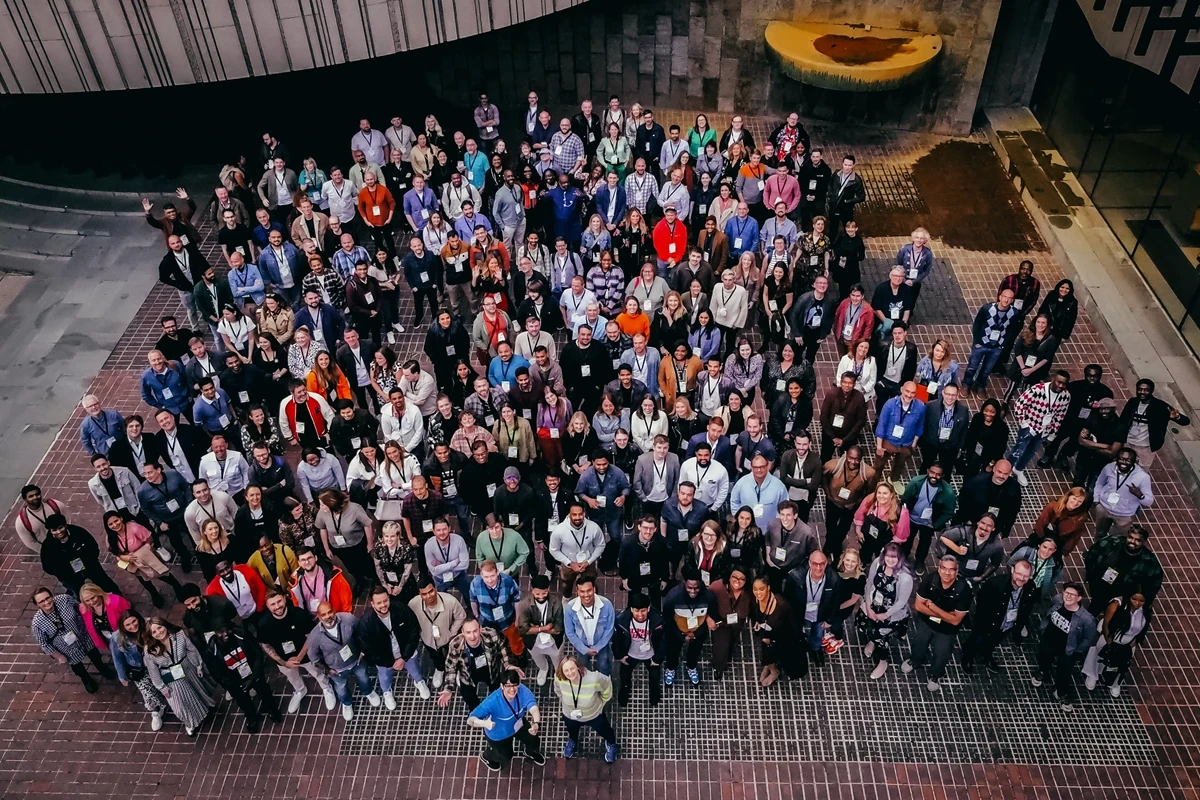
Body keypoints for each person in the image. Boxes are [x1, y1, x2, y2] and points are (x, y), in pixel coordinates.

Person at [256, 590, 336, 714]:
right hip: (283, 660)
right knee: (292, 677)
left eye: (279, 601)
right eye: (272, 604)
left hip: (306, 655)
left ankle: (326, 687)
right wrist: (283, 662)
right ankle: (300, 690)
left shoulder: (299, 614)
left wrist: (299, 657)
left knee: (317, 673)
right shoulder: (263, 623)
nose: (277, 607)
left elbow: (311, 637)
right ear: (267, 606)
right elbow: (266, 645)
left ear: (284, 598)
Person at [901, 555, 971, 692]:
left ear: (957, 572)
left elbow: (956, 620)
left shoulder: (964, 590)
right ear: (939, 569)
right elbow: (919, 606)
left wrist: (932, 607)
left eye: (951, 570)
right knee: (919, 642)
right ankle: (915, 661)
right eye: (943, 568)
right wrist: (946, 615)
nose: (946, 572)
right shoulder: (930, 579)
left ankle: (935, 675)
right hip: (927, 622)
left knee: (942, 653)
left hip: (947, 630)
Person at [355, 586, 429, 708]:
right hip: (384, 660)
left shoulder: (401, 609)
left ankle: (419, 681)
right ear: (372, 604)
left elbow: (413, 631)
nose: (383, 605)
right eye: (379, 603)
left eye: (385, 600)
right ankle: (387, 691)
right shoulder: (366, 622)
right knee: (384, 676)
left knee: (414, 669)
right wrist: (389, 662)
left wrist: (403, 657)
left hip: (406, 653)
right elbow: (368, 649)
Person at [32, 587, 116, 693]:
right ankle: (86, 679)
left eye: (47, 598)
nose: (46, 602)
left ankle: (102, 668)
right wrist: (59, 656)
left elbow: (81, 608)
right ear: (37, 605)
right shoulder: (37, 623)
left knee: (94, 654)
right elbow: (44, 643)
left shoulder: (65, 599)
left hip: (83, 635)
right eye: (42, 601)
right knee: (77, 666)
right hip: (66, 647)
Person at [143, 616, 217, 736]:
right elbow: (153, 671)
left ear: (165, 625)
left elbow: (191, 649)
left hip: (187, 667)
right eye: (154, 632)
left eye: (159, 628)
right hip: (169, 675)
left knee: (197, 690)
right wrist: (161, 687)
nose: (158, 632)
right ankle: (189, 723)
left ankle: (205, 707)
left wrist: (197, 664)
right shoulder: (149, 650)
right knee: (179, 705)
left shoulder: (179, 634)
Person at [306, 601, 380, 721]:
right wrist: (327, 670)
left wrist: (363, 650)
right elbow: (314, 657)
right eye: (323, 614)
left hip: (357, 660)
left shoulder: (349, 619)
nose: (328, 616)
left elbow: (361, 633)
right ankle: (347, 703)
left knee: (364, 678)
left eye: (330, 612)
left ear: (334, 610)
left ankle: (368, 692)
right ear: (318, 617)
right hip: (337, 669)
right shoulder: (315, 636)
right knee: (340, 687)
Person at [961, 559, 1036, 674]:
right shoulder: (995, 584)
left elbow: (1027, 607)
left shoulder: (1030, 586)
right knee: (976, 640)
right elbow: (981, 603)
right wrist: (981, 623)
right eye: (1019, 574)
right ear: (1012, 570)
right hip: (987, 623)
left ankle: (986, 654)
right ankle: (967, 657)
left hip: (1007, 624)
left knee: (993, 642)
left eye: (1025, 576)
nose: (1021, 578)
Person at [205, 624, 282, 733]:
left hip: (253, 674)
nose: (225, 634)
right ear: (215, 633)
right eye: (221, 632)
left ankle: (271, 709)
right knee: (243, 701)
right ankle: (251, 716)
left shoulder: (243, 635)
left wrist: (254, 677)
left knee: (264, 691)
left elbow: (257, 654)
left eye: (227, 629)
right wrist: (235, 685)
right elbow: (218, 675)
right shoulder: (212, 651)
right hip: (235, 682)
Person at [1032, 583, 1098, 710]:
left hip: (1067, 648)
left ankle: (1061, 691)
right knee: (1044, 657)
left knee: (1064, 671)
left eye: (1072, 595)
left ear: (1079, 598)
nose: (1068, 596)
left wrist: (1076, 650)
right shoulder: (1058, 600)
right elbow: (1049, 612)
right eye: (1066, 593)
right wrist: (1043, 627)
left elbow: (1089, 638)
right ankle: (1042, 671)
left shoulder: (1086, 619)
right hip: (1049, 639)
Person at [468, 668, 545, 772]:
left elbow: (534, 708)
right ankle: (487, 756)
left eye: (514, 685)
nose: (512, 689)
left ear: (519, 684)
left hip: (519, 724)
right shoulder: (492, 701)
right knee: (506, 756)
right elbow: (471, 719)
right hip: (499, 735)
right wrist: (484, 723)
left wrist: (536, 724)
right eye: (508, 686)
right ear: (501, 686)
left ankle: (530, 752)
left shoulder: (522, 690)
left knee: (534, 741)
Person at [438, 617, 520, 711]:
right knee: (469, 697)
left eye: (475, 631)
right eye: (468, 632)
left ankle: (497, 707)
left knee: (497, 691)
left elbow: (504, 648)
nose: (472, 636)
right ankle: (476, 711)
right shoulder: (455, 644)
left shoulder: (491, 634)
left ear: (480, 629)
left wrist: (508, 664)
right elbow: (451, 667)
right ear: (463, 632)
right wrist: (448, 688)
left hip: (491, 670)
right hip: (468, 675)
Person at [857, 544, 914, 680]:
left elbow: (901, 602)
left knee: (881, 638)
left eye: (894, 557)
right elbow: (870, 583)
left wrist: (886, 614)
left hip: (890, 613)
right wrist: (869, 604)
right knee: (867, 626)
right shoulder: (877, 563)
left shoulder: (905, 578)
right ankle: (872, 641)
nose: (890, 560)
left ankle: (883, 662)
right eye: (888, 556)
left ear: (899, 558)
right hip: (874, 605)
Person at [1007, 370, 1071, 485]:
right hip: (1030, 426)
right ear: (1053, 379)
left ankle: (1018, 469)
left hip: (1044, 430)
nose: (1060, 386)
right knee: (1019, 449)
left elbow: (1060, 416)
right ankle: (1008, 468)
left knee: (1031, 451)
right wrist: (1024, 423)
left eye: (1064, 384)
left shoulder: (1066, 396)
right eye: (1058, 382)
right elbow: (1019, 404)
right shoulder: (1038, 389)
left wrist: (1052, 434)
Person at [1083, 525, 1163, 613]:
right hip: (1099, 584)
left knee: (1114, 614)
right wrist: (1091, 575)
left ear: (1144, 541)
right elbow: (1092, 555)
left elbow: (1153, 585)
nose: (1133, 541)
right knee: (1096, 605)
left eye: (1138, 540)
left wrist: (1143, 601)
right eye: (1130, 537)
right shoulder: (1111, 542)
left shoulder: (1149, 562)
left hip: (1122, 594)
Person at [1083, 593, 1150, 698]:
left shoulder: (1146, 610)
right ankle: (1092, 674)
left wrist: (1131, 644)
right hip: (1110, 638)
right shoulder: (1117, 604)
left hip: (1129, 642)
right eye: (1134, 599)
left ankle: (1115, 683)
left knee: (1122, 663)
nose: (1137, 603)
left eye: (1141, 601)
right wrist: (1110, 643)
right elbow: (1106, 624)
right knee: (1099, 655)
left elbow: (1143, 630)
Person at [110, 610, 169, 729]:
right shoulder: (117, 638)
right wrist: (122, 676)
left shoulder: (149, 626)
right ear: (123, 626)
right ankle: (156, 711)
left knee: (167, 685)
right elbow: (117, 657)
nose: (132, 626)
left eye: (134, 621)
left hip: (158, 664)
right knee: (148, 693)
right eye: (127, 625)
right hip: (139, 669)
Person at [553, 654, 618, 762]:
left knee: (605, 731)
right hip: (570, 715)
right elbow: (558, 691)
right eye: (566, 670)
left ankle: (611, 743)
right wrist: (566, 702)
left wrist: (602, 703)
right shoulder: (559, 678)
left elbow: (607, 686)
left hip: (594, 715)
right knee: (572, 731)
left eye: (572, 668)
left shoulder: (594, 678)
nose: (570, 673)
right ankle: (573, 740)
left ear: (578, 666)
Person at [40, 514, 122, 597]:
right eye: (54, 530)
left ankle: (121, 601)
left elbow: (93, 546)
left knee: (105, 583)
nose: (59, 532)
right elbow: (48, 567)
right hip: (70, 575)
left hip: (89, 565)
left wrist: (90, 560)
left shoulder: (78, 532)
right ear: (50, 531)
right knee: (80, 594)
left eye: (60, 527)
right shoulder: (48, 546)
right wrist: (64, 572)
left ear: (65, 525)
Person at [1118, 377, 1190, 468]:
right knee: (1123, 464)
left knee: (1142, 468)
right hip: (1129, 442)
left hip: (1146, 446)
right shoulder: (1133, 402)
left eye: (1146, 390)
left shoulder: (1160, 406)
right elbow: (1123, 420)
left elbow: (1185, 421)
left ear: (1151, 391)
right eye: (1140, 389)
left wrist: (1176, 417)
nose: (1142, 392)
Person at [900, 464, 958, 571]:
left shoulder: (948, 492)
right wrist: (904, 516)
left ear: (943, 475)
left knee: (925, 543)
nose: (934, 476)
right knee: (907, 539)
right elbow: (905, 499)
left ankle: (920, 561)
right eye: (932, 472)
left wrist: (935, 524)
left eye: (938, 474)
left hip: (928, 523)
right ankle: (903, 557)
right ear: (927, 471)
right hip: (911, 518)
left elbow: (949, 512)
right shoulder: (916, 482)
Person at [963, 288, 1018, 395]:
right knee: (972, 366)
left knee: (987, 369)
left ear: (1012, 300)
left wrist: (1003, 344)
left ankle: (980, 385)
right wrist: (977, 342)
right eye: (1005, 297)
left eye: (1010, 298)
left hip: (997, 346)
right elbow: (977, 325)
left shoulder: (1014, 313)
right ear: (1000, 297)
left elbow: (1011, 330)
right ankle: (966, 384)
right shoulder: (987, 308)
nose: (1006, 300)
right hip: (982, 343)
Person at [750, 576, 804, 685]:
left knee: (773, 654)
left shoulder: (781, 605)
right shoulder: (754, 600)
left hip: (781, 636)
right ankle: (771, 668)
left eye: (761, 589)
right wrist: (756, 625)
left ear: (768, 588)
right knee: (767, 653)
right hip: (765, 634)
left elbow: (793, 625)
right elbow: (754, 615)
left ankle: (774, 671)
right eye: (755, 589)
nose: (758, 593)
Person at [954, 458, 1022, 540]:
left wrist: (1006, 528)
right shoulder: (977, 482)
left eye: (1005, 474)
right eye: (999, 472)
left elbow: (1014, 510)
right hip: (974, 521)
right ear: (994, 469)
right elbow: (963, 500)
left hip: (995, 526)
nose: (1001, 476)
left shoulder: (1014, 487)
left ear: (1010, 473)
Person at [563, 577, 615, 675]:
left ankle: (604, 683)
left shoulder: (607, 605)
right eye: (582, 591)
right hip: (581, 645)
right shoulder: (570, 608)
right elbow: (570, 632)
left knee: (604, 665)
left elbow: (609, 628)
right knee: (582, 666)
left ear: (594, 589)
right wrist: (584, 649)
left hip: (602, 645)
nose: (586, 595)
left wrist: (598, 647)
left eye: (589, 590)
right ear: (577, 591)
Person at [873, 381, 925, 478]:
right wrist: (879, 446)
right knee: (878, 466)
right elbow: (881, 425)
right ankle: (873, 483)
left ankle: (893, 480)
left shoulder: (920, 407)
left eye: (913, 393)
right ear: (901, 390)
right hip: (888, 442)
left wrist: (913, 444)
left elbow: (920, 426)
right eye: (907, 391)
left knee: (899, 466)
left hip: (906, 444)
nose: (909, 395)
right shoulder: (890, 404)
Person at [708, 567, 752, 677]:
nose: (738, 581)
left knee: (732, 641)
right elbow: (703, 600)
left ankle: (726, 656)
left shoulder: (749, 592)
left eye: (742, 579)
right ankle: (718, 666)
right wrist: (708, 618)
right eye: (735, 577)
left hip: (737, 622)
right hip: (721, 622)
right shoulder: (717, 587)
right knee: (721, 645)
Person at [730, 454, 789, 531]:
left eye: (761, 467)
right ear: (751, 467)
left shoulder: (779, 486)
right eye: (755, 467)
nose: (759, 470)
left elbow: (785, 507)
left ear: (767, 466)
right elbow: (734, 502)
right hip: (746, 530)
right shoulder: (741, 483)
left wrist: (777, 524)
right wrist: (740, 520)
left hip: (771, 530)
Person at [959, 399, 1010, 479]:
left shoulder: (1002, 428)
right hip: (975, 452)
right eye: (986, 411)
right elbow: (970, 434)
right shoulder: (977, 418)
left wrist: (991, 464)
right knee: (969, 473)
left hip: (989, 457)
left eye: (992, 412)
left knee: (984, 477)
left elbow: (1000, 448)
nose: (988, 414)